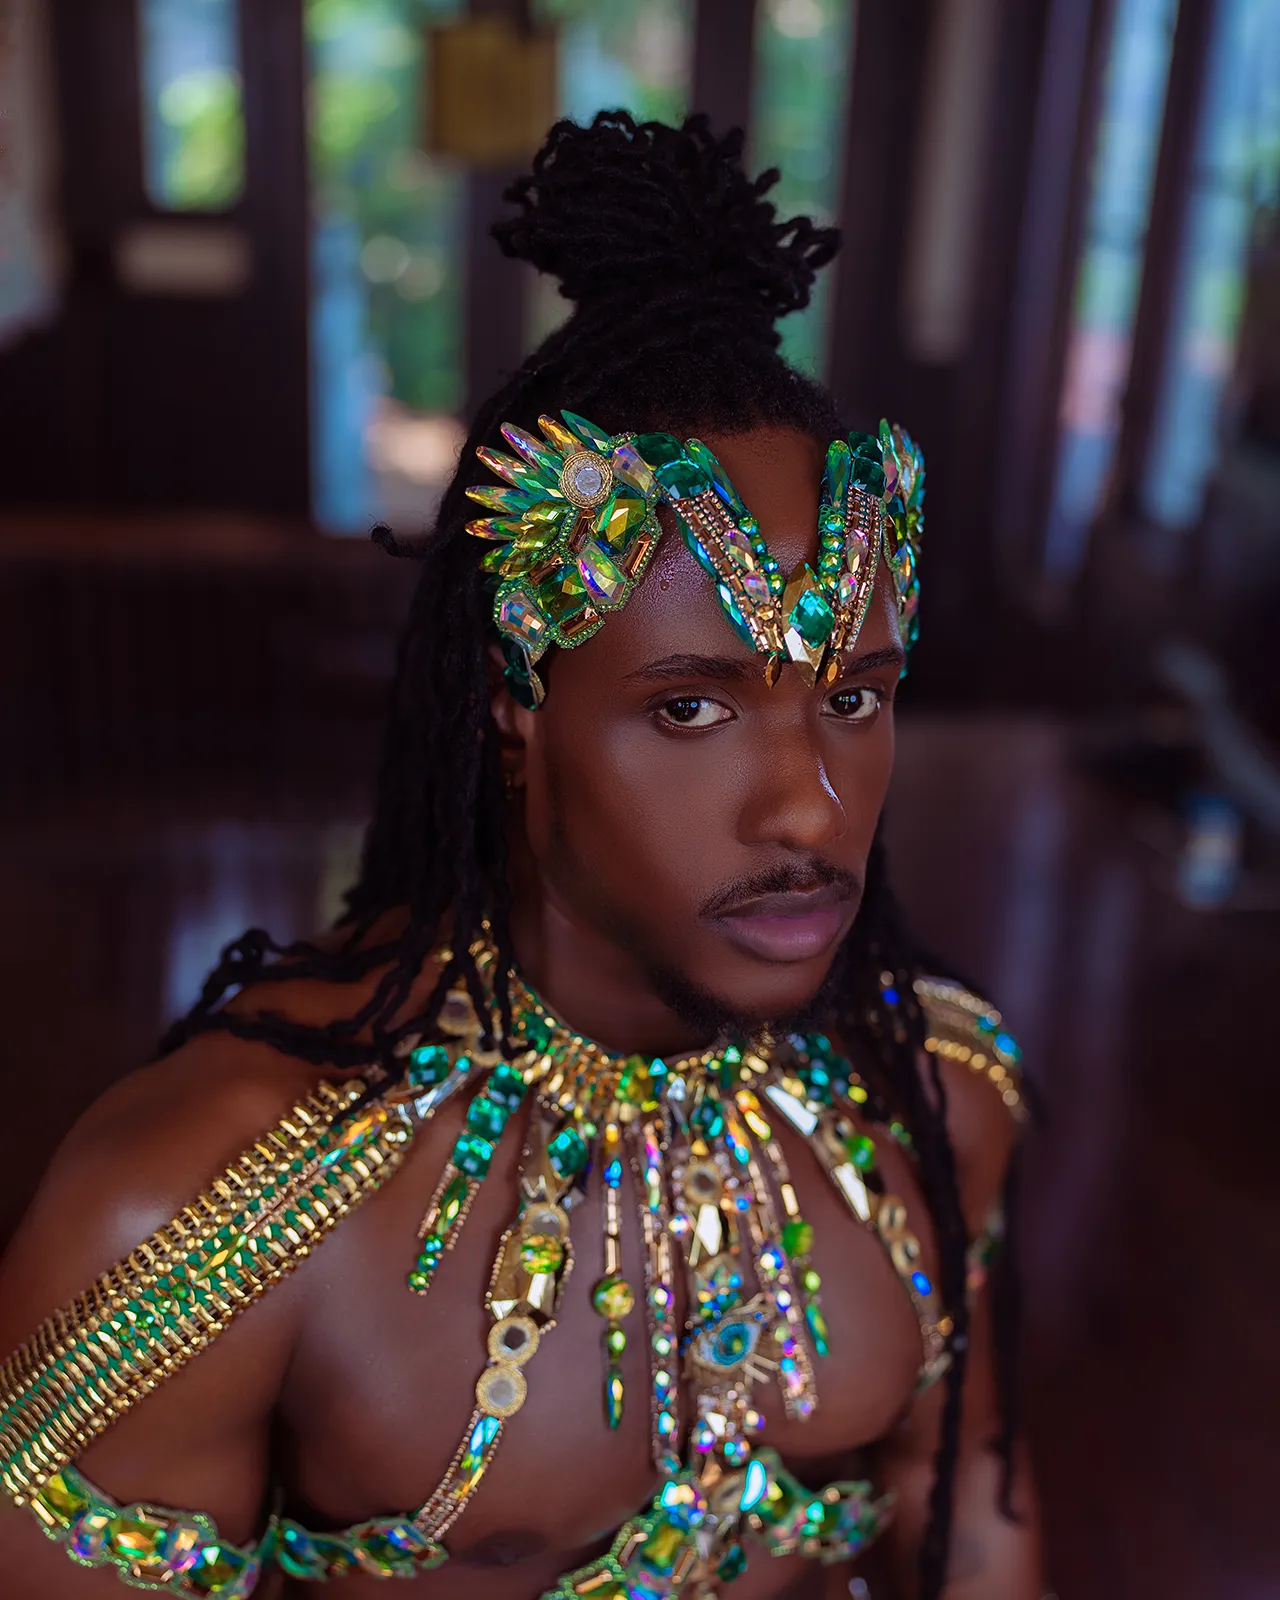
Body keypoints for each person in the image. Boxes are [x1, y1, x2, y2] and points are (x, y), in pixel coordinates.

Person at [0, 114, 1044, 1599]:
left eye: (855, 697)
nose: (813, 813)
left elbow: (968, 1507)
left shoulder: (937, 1096)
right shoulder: (209, 1207)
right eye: (691, 708)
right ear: (513, 708)